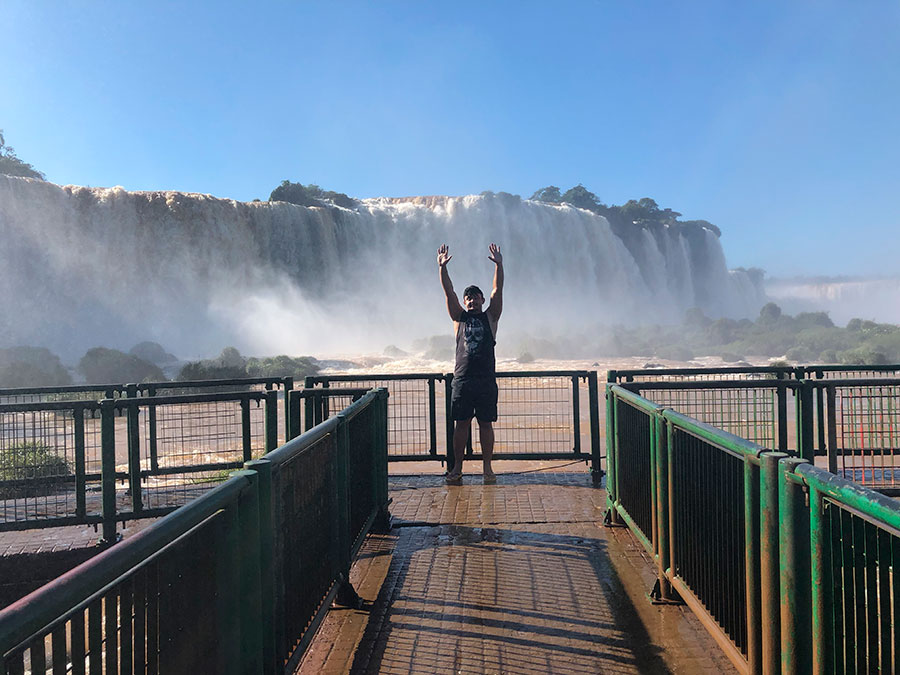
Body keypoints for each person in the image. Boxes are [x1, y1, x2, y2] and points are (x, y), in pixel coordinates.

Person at [437, 242, 503, 484]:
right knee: (461, 424)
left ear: (482, 300)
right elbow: (449, 292)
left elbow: (498, 290)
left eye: (475, 298)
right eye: (469, 298)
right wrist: (442, 268)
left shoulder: (491, 317)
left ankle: (487, 468)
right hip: (462, 379)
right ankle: (457, 468)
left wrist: (499, 265)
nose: (472, 301)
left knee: (486, 424)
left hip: (485, 379)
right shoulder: (458, 317)